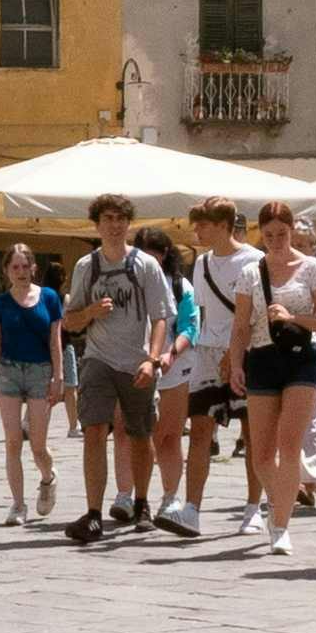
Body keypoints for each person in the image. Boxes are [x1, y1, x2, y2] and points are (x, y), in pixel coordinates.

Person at [59, 196, 178, 546]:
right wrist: (91, 312)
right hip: (98, 359)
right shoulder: (86, 267)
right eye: (108, 218)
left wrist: (152, 359)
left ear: (129, 224)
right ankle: (94, 513)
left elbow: (161, 316)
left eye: (121, 218)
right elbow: (71, 321)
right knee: (94, 430)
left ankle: (142, 503)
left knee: (140, 434)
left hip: (136, 360)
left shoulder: (145, 265)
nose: (114, 225)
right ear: (97, 224)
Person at [239, 199, 316, 555]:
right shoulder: (251, 273)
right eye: (269, 235)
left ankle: (280, 526)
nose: (276, 240)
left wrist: (294, 317)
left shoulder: (311, 269)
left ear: (292, 231)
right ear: (260, 235)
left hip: (300, 359)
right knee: (261, 454)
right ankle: (281, 502)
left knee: (290, 445)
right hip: (261, 358)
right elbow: (240, 326)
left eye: (282, 233)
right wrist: (235, 364)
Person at [170, 205, 257, 540]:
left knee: (252, 433)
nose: (197, 233)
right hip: (208, 352)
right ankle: (192, 508)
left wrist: (236, 354)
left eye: (203, 226)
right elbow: (206, 312)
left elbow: (253, 314)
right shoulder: (202, 263)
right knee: (201, 429)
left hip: (245, 351)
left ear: (223, 226)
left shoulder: (253, 260)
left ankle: (253, 508)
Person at [0, 243, 65, 523]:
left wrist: (58, 377)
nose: (21, 272)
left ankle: (48, 478)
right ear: (6, 271)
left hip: (40, 372)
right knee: (13, 442)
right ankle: (18, 505)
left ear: (34, 268)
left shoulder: (49, 298)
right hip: (9, 373)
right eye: (15, 267)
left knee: (38, 446)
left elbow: (55, 341)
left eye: (25, 266)